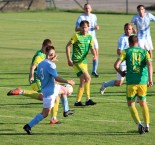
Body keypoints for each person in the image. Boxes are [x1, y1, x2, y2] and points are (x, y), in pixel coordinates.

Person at [7, 39, 74, 124]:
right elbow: (33, 67)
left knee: (56, 97)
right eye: (46, 48)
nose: (47, 51)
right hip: (37, 80)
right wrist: (31, 76)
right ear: (43, 47)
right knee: (43, 97)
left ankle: (53, 118)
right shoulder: (39, 56)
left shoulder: (45, 55)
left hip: (43, 79)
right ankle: (21, 91)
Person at [23, 45, 75, 135]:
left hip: (48, 89)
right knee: (45, 113)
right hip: (51, 92)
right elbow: (57, 78)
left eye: (54, 54)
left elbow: (39, 76)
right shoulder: (51, 65)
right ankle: (28, 126)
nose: (53, 56)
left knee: (65, 90)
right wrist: (68, 81)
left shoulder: (40, 64)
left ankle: (66, 110)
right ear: (49, 54)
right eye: (52, 54)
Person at [114, 35, 153, 134]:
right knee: (143, 103)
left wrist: (121, 72)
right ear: (137, 42)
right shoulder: (144, 52)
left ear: (129, 43)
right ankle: (147, 125)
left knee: (131, 104)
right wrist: (150, 79)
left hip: (131, 82)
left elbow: (116, 65)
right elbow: (150, 64)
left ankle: (139, 124)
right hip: (142, 81)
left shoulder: (126, 51)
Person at [66, 20, 97, 106]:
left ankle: (77, 101)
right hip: (76, 61)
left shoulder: (90, 37)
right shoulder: (76, 36)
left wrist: (95, 55)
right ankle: (88, 99)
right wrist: (69, 59)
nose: (84, 29)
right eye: (82, 27)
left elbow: (91, 47)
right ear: (80, 27)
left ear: (88, 28)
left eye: (86, 27)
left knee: (83, 80)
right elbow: (68, 46)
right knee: (88, 78)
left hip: (84, 61)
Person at [100, 23, 135, 94]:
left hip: (131, 62)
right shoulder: (122, 39)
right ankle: (105, 85)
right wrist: (127, 57)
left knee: (133, 79)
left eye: (129, 29)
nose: (128, 31)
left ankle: (137, 97)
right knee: (119, 83)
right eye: (126, 29)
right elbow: (119, 51)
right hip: (122, 63)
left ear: (132, 30)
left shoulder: (133, 37)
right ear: (124, 30)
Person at [75, 3, 100, 77]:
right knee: (83, 55)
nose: (87, 9)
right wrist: (84, 27)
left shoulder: (94, 16)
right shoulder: (81, 17)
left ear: (91, 9)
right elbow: (76, 28)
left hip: (93, 38)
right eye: (86, 8)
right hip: (84, 38)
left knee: (96, 54)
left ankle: (94, 71)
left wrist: (97, 27)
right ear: (84, 9)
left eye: (88, 8)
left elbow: (95, 24)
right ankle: (81, 69)